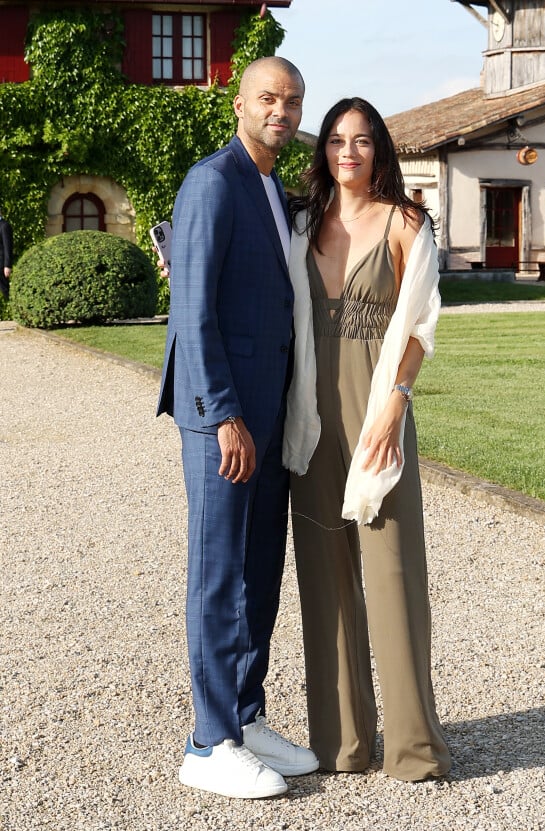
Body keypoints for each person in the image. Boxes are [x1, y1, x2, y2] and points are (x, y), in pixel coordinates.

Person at [156, 56, 318, 800]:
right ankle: (206, 741)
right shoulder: (212, 181)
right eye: (268, 98)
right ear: (240, 104)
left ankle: (245, 717)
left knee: (259, 575)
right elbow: (192, 311)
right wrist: (223, 414)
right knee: (219, 576)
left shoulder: (273, 191)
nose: (280, 110)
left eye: (291, 101)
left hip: (270, 413)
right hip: (223, 419)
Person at [283, 97, 451, 782]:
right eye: (334, 141)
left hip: (377, 409)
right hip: (308, 419)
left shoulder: (407, 222)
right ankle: (342, 744)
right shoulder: (300, 223)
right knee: (324, 582)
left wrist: (395, 409)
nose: (347, 153)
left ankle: (414, 748)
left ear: (379, 148)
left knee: (392, 575)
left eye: (360, 141)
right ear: (322, 150)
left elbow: (419, 326)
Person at [0, 206, 13, 300]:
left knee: (5, 289)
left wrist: (7, 265)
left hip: (1, 264)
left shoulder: (4, 226)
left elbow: (7, 246)